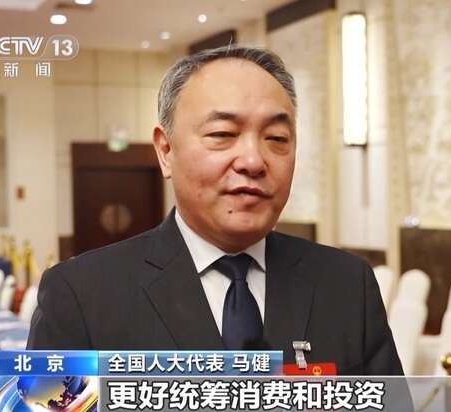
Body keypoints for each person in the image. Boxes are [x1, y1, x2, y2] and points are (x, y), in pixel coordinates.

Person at [27, 45, 404, 376]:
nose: (253, 161)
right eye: (223, 134)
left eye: (276, 138)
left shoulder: (347, 285)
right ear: (166, 151)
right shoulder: (80, 294)